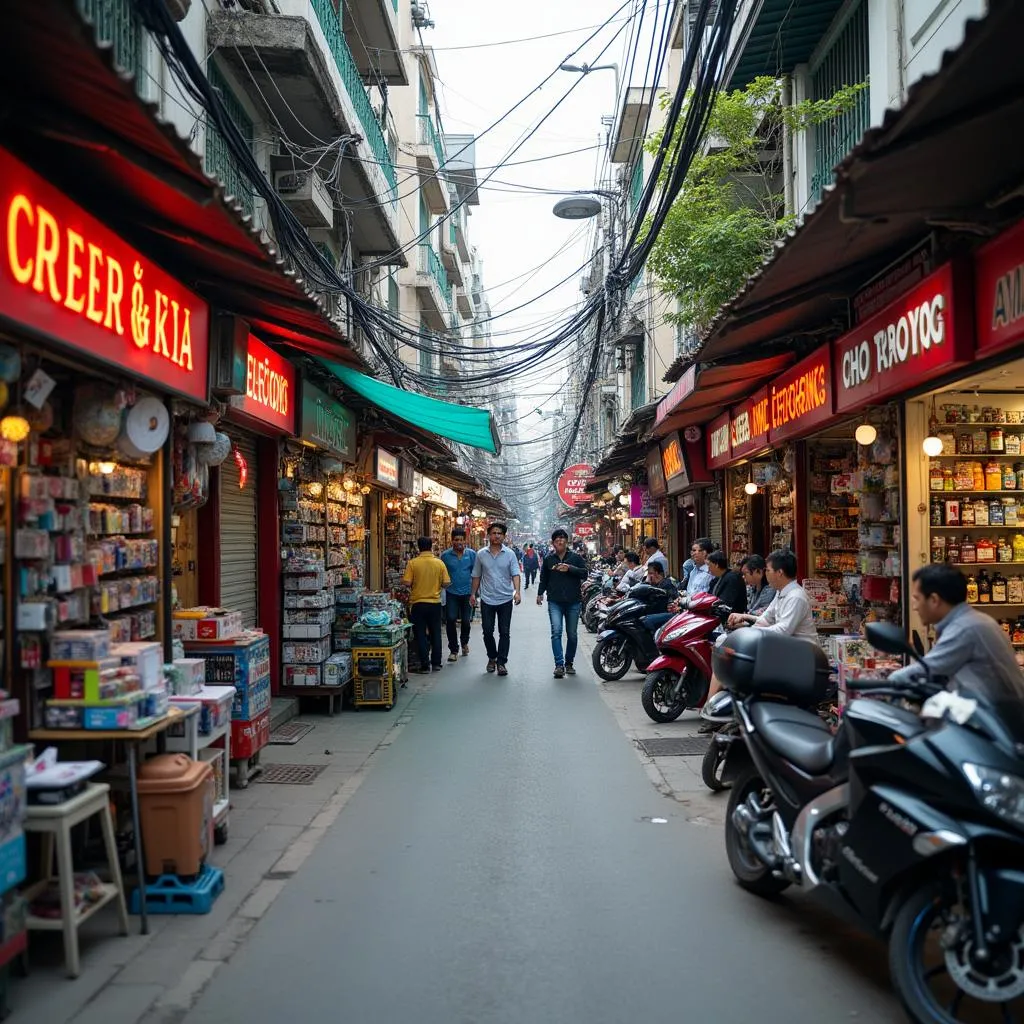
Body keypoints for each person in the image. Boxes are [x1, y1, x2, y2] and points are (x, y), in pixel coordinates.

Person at [888, 564, 1024, 703]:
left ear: (934, 600)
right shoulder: (972, 620)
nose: (915, 607)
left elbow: (929, 668)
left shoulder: (965, 628)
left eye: (917, 599)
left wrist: (887, 684)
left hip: (993, 719)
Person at [470, 522, 522, 676]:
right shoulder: (481, 554)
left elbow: (515, 574)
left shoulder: (510, 554)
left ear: (504, 536)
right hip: (487, 599)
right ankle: (492, 657)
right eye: (494, 533)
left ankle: (501, 662)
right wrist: (473, 594)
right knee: (487, 631)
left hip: (505, 599)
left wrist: (517, 592)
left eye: (499, 533)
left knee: (504, 632)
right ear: (489, 535)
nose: (497, 536)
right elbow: (476, 575)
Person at [537, 528, 588, 678]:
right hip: (555, 601)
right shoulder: (548, 559)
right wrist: (540, 593)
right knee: (556, 632)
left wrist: (570, 568)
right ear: (553, 543)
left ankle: (569, 663)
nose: (559, 541)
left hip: (573, 601)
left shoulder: (576, 558)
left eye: (562, 538)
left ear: (567, 541)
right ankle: (559, 664)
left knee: (572, 634)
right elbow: (544, 578)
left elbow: (585, 573)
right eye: (556, 539)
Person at [403, 537, 450, 673]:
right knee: (436, 633)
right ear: (431, 547)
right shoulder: (439, 563)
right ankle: (436, 663)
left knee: (420, 634)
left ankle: (424, 665)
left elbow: (406, 582)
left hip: (418, 604)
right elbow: (447, 583)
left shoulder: (413, 563)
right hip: (435, 603)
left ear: (418, 547)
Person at [440, 528, 476, 662]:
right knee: (450, 619)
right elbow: (441, 573)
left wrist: (475, 593)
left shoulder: (472, 555)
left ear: (465, 541)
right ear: (452, 540)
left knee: (466, 621)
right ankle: (453, 650)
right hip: (451, 593)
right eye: (456, 540)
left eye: (461, 540)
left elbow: (476, 574)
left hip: (467, 593)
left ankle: (465, 642)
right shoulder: (445, 556)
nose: (459, 542)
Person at [639, 562, 680, 633]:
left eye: (650, 573)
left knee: (646, 620)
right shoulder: (655, 585)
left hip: (668, 614)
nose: (648, 576)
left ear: (657, 573)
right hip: (658, 612)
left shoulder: (666, 584)